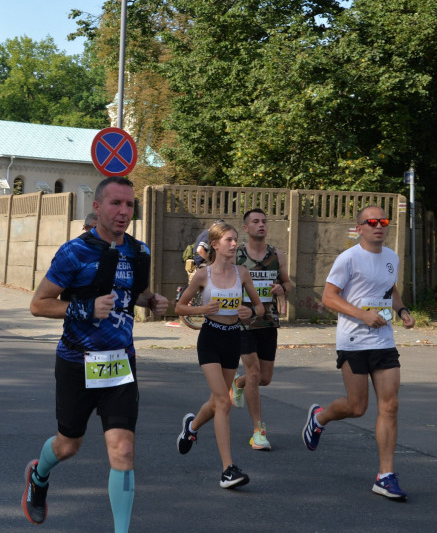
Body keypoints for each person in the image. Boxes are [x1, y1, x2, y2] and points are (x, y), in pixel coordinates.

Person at [22, 176, 169, 530]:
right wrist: (83, 308)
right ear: (98, 207)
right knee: (68, 445)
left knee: (123, 451)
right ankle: (38, 476)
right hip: (77, 361)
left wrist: (151, 300)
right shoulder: (74, 252)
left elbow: (130, 293)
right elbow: (39, 305)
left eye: (129, 205)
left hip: (120, 362)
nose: (123, 212)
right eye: (116, 204)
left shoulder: (139, 251)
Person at [302, 205, 416, 500]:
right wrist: (363, 316)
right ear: (360, 228)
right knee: (357, 407)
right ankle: (320, 418)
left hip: (383, 341)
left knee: (390, 405)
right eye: (372, 222)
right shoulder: (348, 258)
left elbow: (389, 289)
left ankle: (385, 475)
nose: (379, 226)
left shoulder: (392, 257)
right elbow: (329, 297)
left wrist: (401, 310)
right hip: (353, 341)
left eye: (383, 221)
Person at [174, 222, 264, 489]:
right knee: (224, 403)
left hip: (233, 338)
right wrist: (202, 310)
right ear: (215, 245)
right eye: (229, 240)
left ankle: (192, 427)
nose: (235, 244)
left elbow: (259, 307)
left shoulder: (243, 273)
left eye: (236, 240)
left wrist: (250, 312)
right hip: (210, 339)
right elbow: (178, 307)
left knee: (216, 403)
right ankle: (228, 469)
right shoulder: (203, 275)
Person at [231, 208, 292, 451]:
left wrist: (282, 289)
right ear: (246, 228)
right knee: (255, 374)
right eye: (255, 222)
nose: (261, 225)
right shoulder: (236, 255)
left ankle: (238, 383)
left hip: (268, 321)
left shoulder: (277, 254)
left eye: (264, 221)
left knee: (264, 378)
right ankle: (258, 431)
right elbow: (222, 282)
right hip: (243, 322)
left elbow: (287, 282)